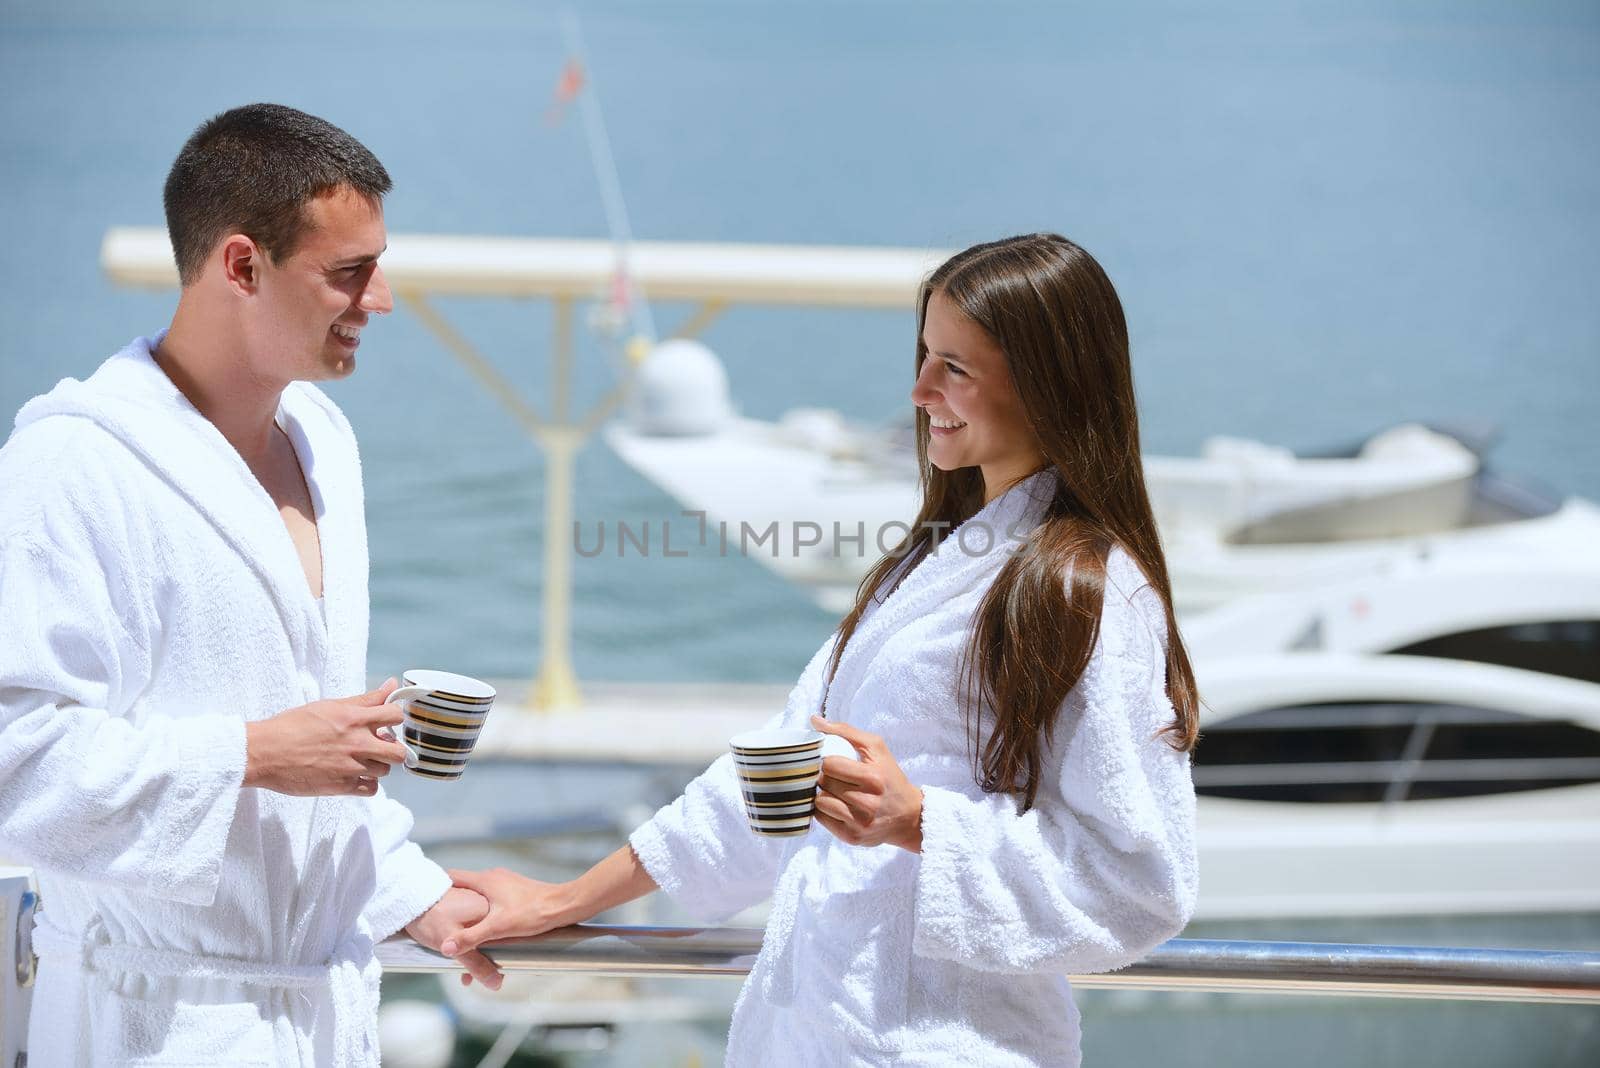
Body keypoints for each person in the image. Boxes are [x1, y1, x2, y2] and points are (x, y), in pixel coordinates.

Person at [438, 233, 1202, 1065]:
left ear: (1047, 382)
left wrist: (921, 825)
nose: (918, 391)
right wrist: (562, 899)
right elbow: (769, 782)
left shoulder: (1086, 593)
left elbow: (1140, 883)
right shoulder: (933, 563)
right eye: (923, 357)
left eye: (955, 367)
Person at [0, 103, 492, 1066]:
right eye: (350, 272)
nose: (382, 299)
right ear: (241, 265)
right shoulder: (69, 467)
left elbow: (308, 764)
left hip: (313, 1018)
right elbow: (17, 764)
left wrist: (415, 895)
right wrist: (252, 755)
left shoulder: (326, 445)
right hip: (148, 1023)